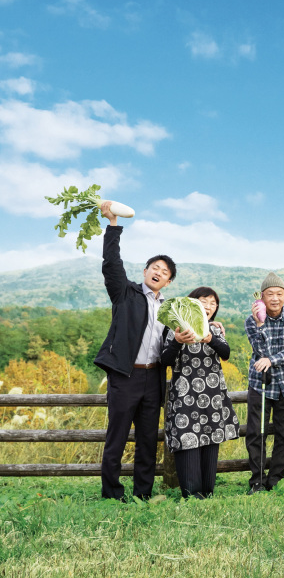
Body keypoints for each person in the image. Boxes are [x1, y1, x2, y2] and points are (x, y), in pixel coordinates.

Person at [95, 201, 175, 501]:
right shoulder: (124, 293)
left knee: (146, 440)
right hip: (125, 376)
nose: (158, 272)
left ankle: (143, 494)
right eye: (154, 267)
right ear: (145, 271)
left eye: (164, 271)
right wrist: (114, 226)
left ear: (169, 280)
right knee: (116, 439)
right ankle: (112, 494)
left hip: (153, 379)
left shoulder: (169, 309)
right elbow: (111, 263)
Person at [160, 287, 239, 499]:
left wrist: (210, 338)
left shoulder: (215, 330)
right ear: (192, 303)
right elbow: (166, 360)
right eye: (204, 301)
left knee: (211, 439)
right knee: (188, 439)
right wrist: (177, 341)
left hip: (212, 394)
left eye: (214, 303)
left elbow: (226, 353)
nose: (209, 306)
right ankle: (191, 493)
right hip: (185, 395)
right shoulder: (175, 329)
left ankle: (207, 491)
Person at [244, 272, 284, 493]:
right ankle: (257, 481)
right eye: (270, 294)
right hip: (261, 383)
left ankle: (275, 479)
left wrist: (272, 360)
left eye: (279, 294)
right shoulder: (251, 321)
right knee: (255, 433)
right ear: (262, 297)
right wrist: (261, 326)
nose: (275, 298)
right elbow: (260, 352)